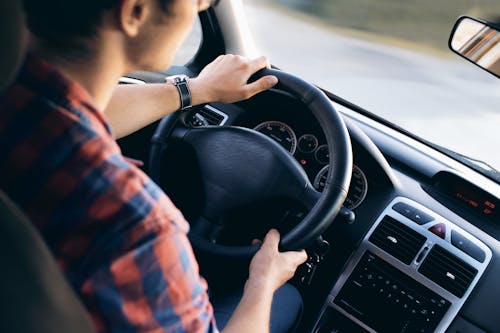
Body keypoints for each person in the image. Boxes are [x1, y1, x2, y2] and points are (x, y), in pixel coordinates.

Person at [0, 0, 308, 333]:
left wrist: (196, 89)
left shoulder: (18, 101)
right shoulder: (133, 225)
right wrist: (262, 281)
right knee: (285, 299)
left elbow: (77, 112)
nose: (202, 6)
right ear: (134, 12)